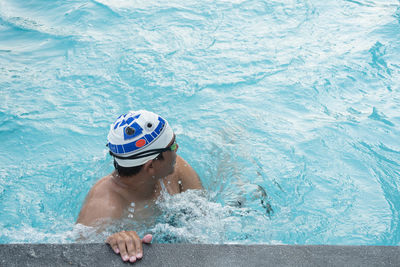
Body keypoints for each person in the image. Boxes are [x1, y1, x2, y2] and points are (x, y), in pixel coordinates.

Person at [77, 110, 202, 263]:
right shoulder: (104, 207)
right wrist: (110, 242)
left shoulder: (176, 169)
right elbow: (76, 256)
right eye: (173, 146)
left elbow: (205, 217)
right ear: (151, 166)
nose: (177, 149)